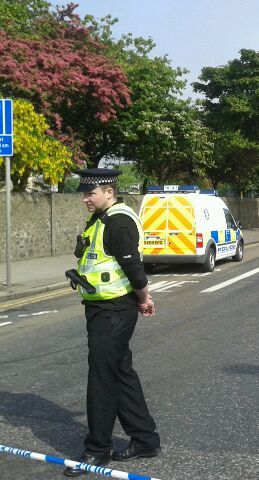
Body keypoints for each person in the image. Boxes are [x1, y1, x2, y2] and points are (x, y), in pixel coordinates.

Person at [64, 169, 161, 477]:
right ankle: (145, 439)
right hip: (101, 308)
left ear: (108, 191)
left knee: (102, 378)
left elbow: (134, 267)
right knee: (120, 371)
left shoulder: (119, 221)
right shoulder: (101, 220)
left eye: (89, 193)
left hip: (115, 310)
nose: (85, 199)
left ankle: (97, 449)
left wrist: (144, 299)